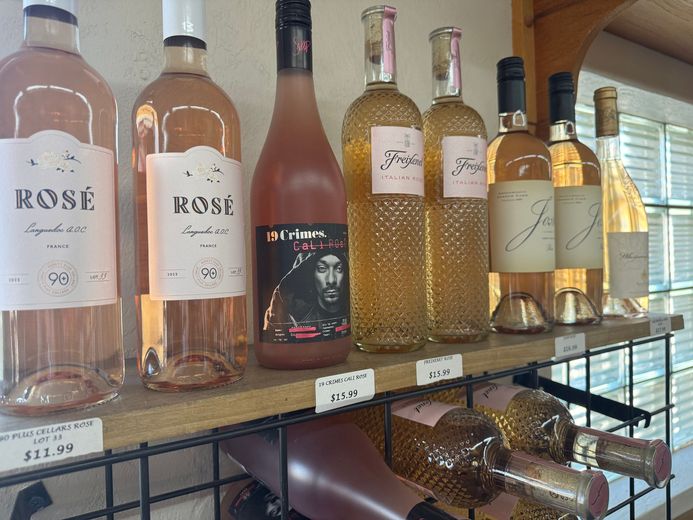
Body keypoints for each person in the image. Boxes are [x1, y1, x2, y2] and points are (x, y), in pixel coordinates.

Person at [263, 251, 348, 333]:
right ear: (311, 274)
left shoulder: (355, 304)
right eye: (322, 268)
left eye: (339, 269)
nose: (331, 280)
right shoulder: (284, 305)